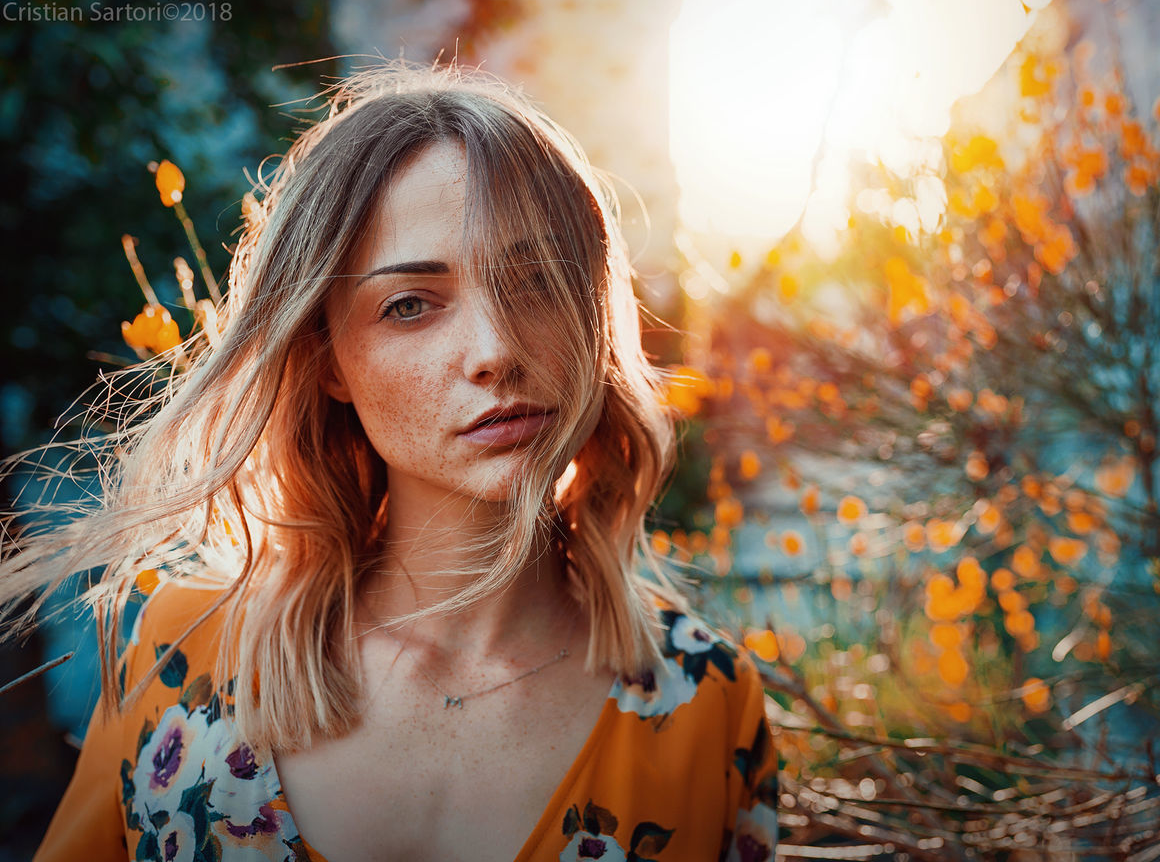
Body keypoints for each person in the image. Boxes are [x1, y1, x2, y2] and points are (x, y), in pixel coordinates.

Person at [4, 61, 778, 861]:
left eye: (536, 282)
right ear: (329, 360)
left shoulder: (704, 703)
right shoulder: (186, 645)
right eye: (410, 304)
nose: (495, 350)